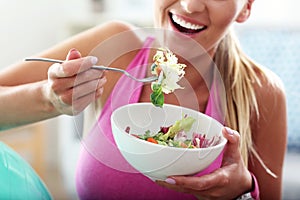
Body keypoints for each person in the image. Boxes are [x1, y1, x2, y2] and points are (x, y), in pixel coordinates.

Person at [0, 0, 287, 200]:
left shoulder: (262, 92)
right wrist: (49, 98)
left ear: (246, 7)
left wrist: (242, 192)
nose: (190, 5)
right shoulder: (117, 46)